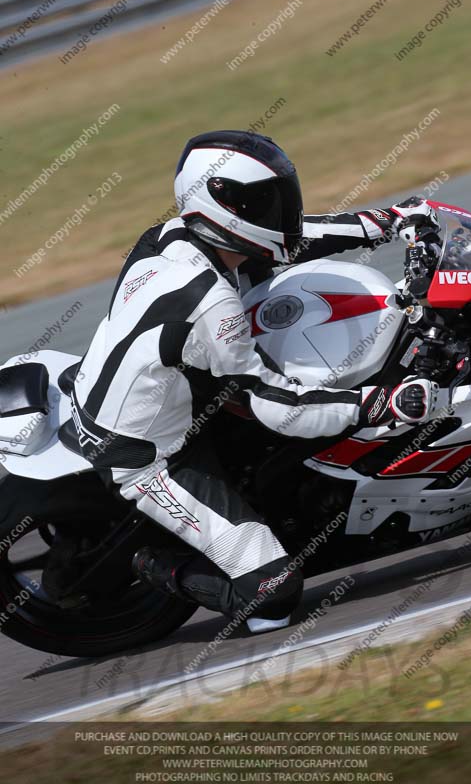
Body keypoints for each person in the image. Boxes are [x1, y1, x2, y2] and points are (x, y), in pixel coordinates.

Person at [72, 130, 439, 634]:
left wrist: (389, 221)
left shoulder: (172, 235)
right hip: (149, 455)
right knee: (273, 596)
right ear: (226, 210)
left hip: (177, 393)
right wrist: (373, 406)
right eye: (265, 203)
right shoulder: (212, 305)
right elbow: (277, 405)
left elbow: (293, 238)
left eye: (278, 198)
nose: (280, 212)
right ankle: (152, 563)